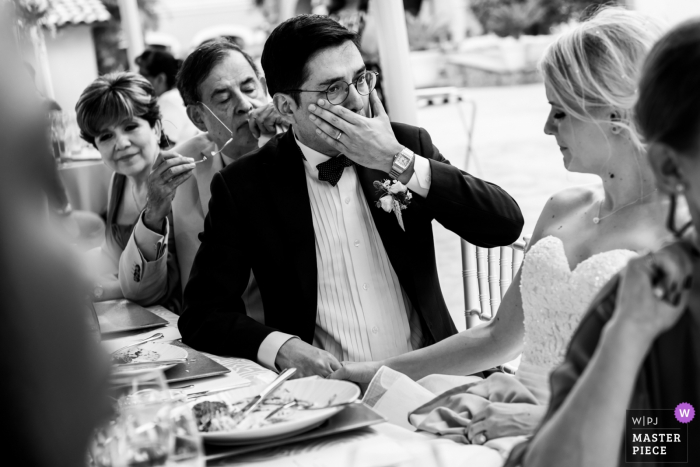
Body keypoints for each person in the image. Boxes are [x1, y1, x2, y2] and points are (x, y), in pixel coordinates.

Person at [331, 7, 672, 442]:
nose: (547, 127)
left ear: (615, 113)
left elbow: (681, 427)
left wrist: (545, 422)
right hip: (499, 419)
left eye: (560, 111)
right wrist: (364, 375)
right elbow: (497, 336)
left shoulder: (681, 232)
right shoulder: (563, 208)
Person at [178, 15, 523, 377]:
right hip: (330, 391)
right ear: (286, 107)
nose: (358, 101)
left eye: (361, 79)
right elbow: (203, 314)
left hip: (430, 376)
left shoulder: (406, 145)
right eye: (333, 89)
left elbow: (505, 225)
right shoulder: (245, 186)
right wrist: (282, 347)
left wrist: (395, 161)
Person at [508, 18, 700, 467]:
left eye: (560, 111)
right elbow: (668, 434)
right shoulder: (640, 297)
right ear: (672, 168)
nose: (548, 128)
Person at [118, 39, 284, 317]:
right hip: (222, 337)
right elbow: (141, 293)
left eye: (249, 88)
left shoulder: (302, 144)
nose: (245, 105)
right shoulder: (184, 168)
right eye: (223, 98)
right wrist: (153, 214)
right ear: (198, 118)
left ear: (265, 87)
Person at [76, 72, 193, 312]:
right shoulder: (119, 181)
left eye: (130, 127)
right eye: (106, 136)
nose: (121, 143)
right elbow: (113, 258)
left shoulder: (182, 180)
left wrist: (103, 288)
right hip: (134, 313)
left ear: (157, 128)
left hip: (181, 317)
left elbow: (185, 279)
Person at [136, 48, 199, 145]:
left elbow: (165, 147)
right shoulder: (177, 96)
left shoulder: (168, 101)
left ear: (160, 79)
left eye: (142, 77)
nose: (138, 83)